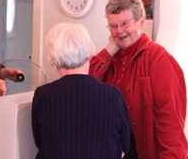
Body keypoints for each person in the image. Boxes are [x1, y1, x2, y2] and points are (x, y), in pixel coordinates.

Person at [89, 0, 188, 158]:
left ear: (141, 23)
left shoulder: (158, 58)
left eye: (124, 24)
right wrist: (110, 49)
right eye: (113, 26)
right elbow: (84, 83)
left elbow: (171, 126)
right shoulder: (111, 59)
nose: (119, 31)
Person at [32, 22, 130, 159]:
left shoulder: (42, 95)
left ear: (52, 61)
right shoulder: (113, 95)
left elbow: (40, 142)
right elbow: (125, 144)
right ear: (90, 53)